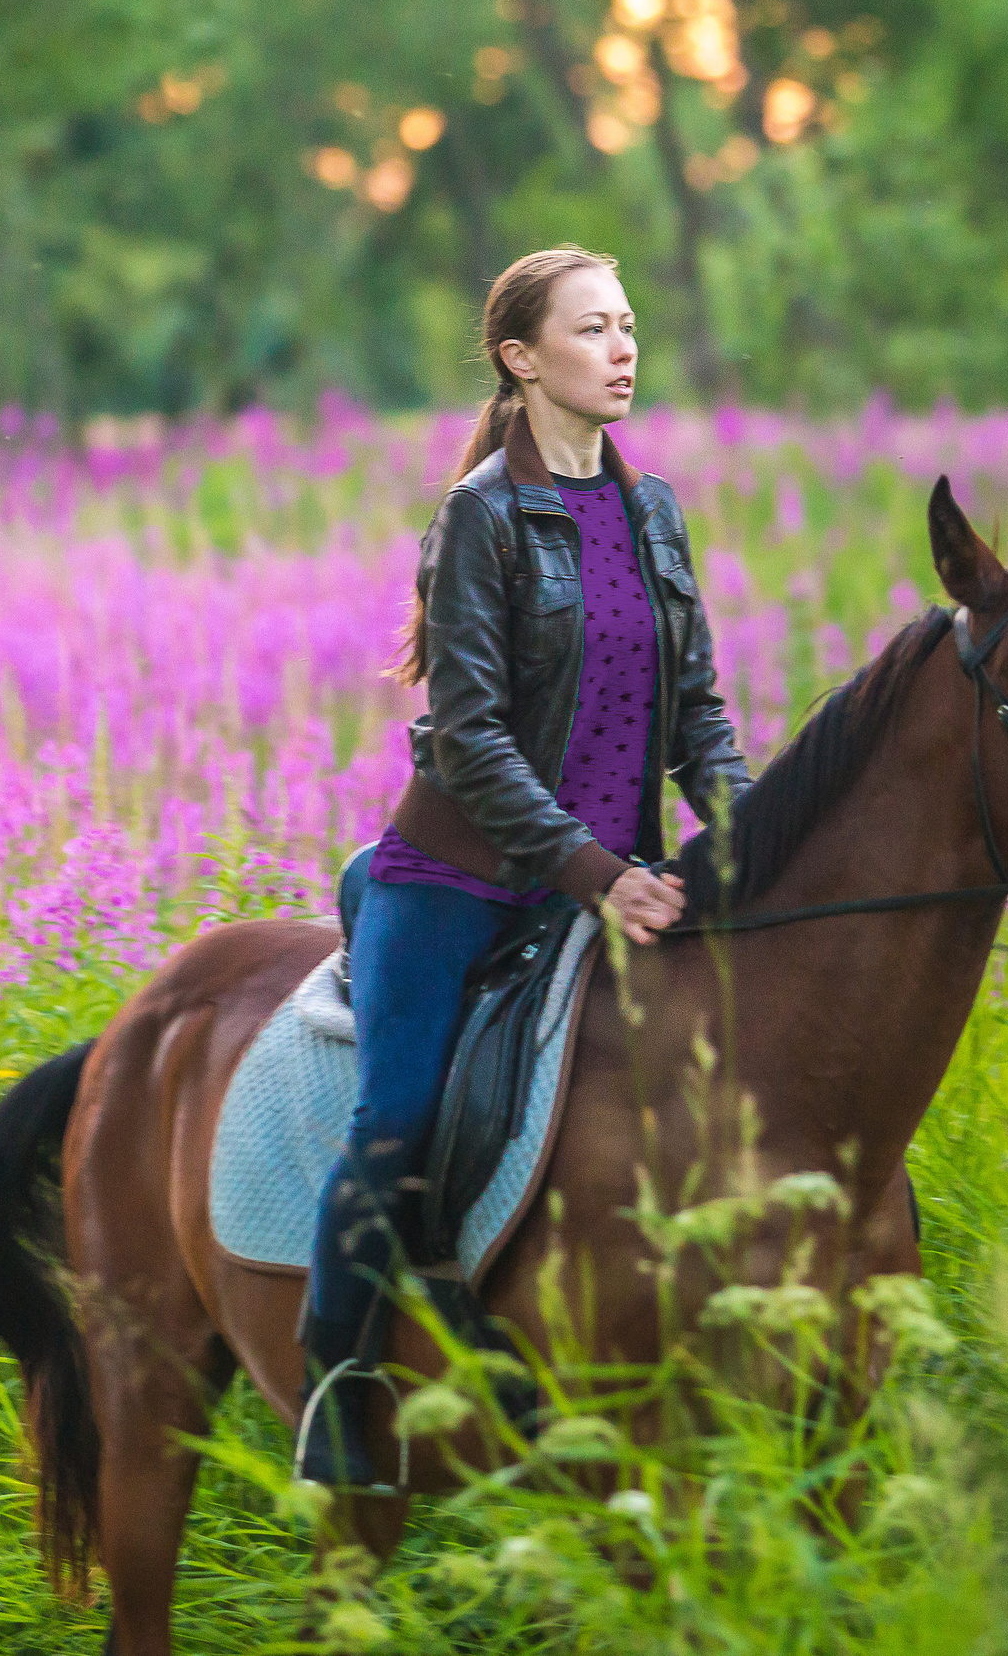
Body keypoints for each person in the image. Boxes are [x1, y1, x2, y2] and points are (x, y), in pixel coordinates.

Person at [297, 245, 755, 1489]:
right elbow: (469, 738)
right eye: (594, 330)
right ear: (521, 357)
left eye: (629, 328)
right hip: (462, 881)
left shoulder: (651, 510)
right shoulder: (480, 518)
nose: (623, 352)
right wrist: (595, 872)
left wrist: (761, 835)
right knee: (396, 1124)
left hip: (614, 878)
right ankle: (336, 1384)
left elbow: (698, 719)